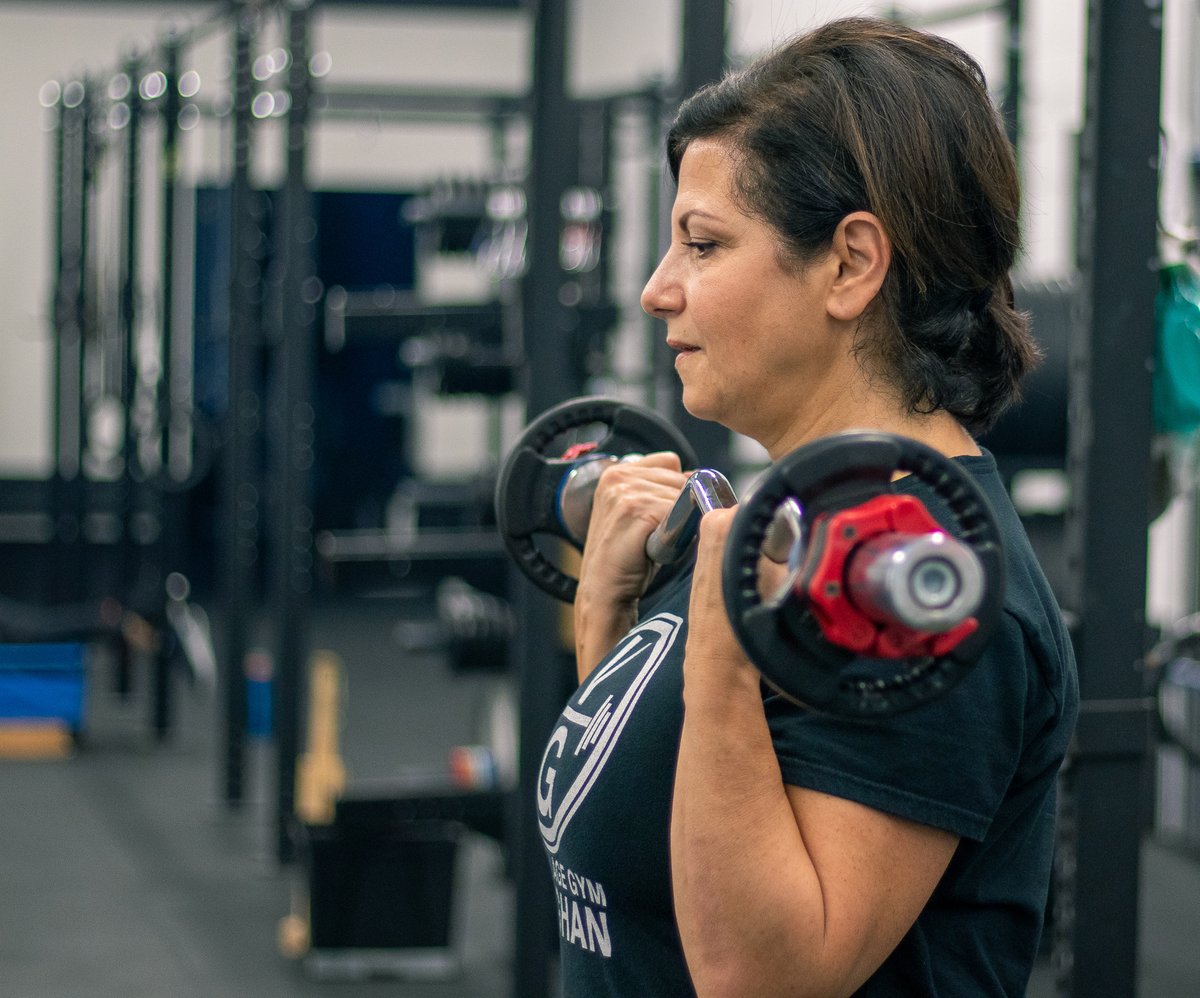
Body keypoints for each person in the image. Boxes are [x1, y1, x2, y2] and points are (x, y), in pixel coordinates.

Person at [534, 15, 1078, 997]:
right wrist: (608, 633)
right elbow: (645, 870)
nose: (659, 290)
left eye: (702, 242)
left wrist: (717, 651)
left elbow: (762, 978)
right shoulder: (785, 528)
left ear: (850, 264)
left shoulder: (921, 586)